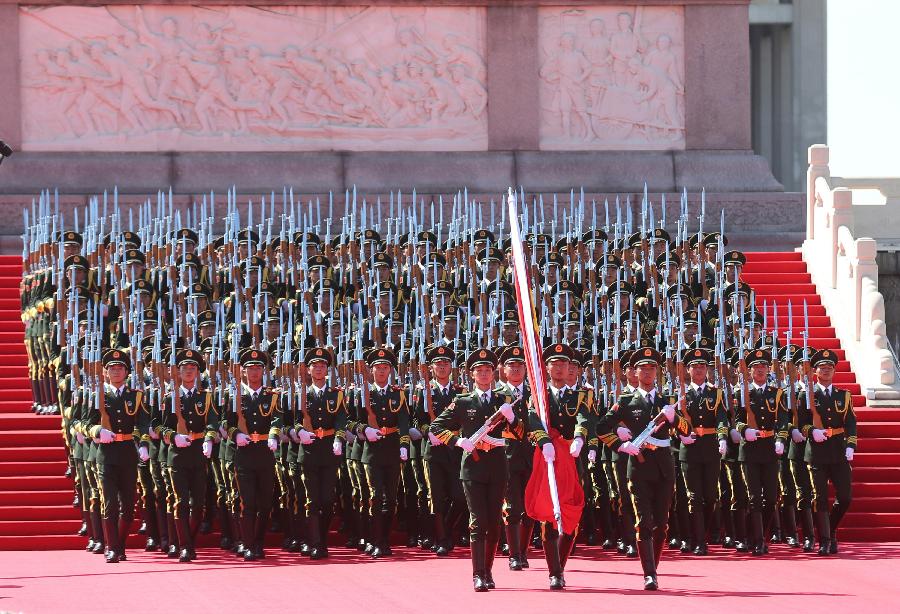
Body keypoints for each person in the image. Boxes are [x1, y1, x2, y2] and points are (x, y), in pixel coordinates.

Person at [598, 346, 689, 590]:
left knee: (662, 523)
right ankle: (649, 573)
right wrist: (621, 443)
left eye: (652, 368)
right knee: (643, 521)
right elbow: (601, 428)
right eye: (643, 368)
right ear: (634, 373)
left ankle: (653, 568)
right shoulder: (626, 401)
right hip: (637, 467)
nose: (648, 372)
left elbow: (687, 431)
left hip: (663, 466)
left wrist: (674, 418)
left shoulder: (665, 401)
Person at [430, 347, 517, 592]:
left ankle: (488, 571)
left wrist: (512, 419)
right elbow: (436, 427)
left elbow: (521, 434)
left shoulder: (504, 400)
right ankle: (478, 574)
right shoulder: (463, 401)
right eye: (479, 370)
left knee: (494, 522)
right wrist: (458, 441)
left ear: (494, 373)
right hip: (472, 468)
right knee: (478, 521)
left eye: (488, 370)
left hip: (498, 466)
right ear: (472, 374)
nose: (484, 374)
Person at [79, 348, 150, 563]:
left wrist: (143, 444)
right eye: (112, 368)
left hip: (128, 453)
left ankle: (120, 544)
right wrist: (97, 431)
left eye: (120, 368)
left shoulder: (136, 396)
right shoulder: (96, 395)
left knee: (128, 506)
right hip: (106, 455)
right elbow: (82, 423)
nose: (116, 372)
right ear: (105, 372)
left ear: (127, 372)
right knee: (109, 503)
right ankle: (112, 548)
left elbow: (143, 423)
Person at [224, 349, 283, 561]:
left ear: (264, 371)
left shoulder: (271, 395)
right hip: (244, 454)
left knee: (266, 502)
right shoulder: (234, 395)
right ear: (243, 371)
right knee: (247, 503)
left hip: (265, 453)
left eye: (258, 368)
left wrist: (274, 435)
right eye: (251, 368)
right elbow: (226, 422)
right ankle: (248, 544)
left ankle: (259, 542)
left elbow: (278, 419)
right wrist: (236, 434)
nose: (255, 371)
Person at [798, 349, 857, 555]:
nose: (826, 371)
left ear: (834, 371)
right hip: (817, 452)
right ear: (815, 371)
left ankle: (830, 529)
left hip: (839, 451)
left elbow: (850, 422)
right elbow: (801, 424)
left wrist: (851, 445)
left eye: (829, 368)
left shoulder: (844, 395)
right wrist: (812, 431)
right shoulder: (806, 395)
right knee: (820, 497)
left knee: (845, 497)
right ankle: (824, 540)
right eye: (822, 368)